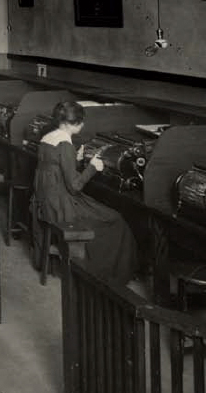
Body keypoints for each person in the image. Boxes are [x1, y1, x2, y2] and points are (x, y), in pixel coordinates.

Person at [34, 101, 138, 285]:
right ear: (71, 123)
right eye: (80, 121)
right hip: (62, 207)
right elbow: (74, 187)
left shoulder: (47, 138)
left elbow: (55, 169)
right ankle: (110, 275)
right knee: (116, 221)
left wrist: (75, 160)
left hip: (47, 201)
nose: (83, 125)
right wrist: (92, 167)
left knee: (103, 212)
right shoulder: (65, 144)